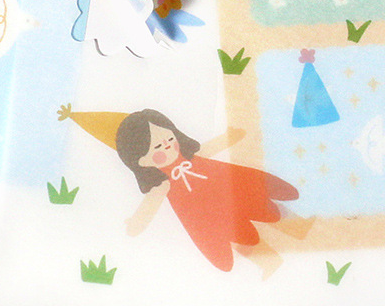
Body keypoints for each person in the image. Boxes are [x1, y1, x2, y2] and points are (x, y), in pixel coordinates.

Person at [116, 109, 300, 273]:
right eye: (158, 147)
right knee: (232, 233)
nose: (167, 145)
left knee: (259, 200)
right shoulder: (163, 186)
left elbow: (210, 147)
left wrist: (230, 137)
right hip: (204, 212)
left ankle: (300, 228)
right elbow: (150, 205)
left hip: (228, 184)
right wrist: (136, 223)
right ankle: (270, 263)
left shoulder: (194, 157)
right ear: (142, 161)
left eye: (170, 139)